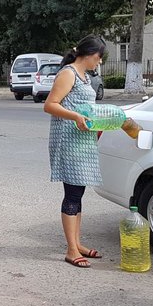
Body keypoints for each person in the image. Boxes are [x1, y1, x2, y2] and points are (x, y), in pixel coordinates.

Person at [43, 35, 106, 268]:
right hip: (69, 142)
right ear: (90, 54)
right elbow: (50, 105)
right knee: (72, 194)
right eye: (99, 57)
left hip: (83, 141)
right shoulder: (68, 73)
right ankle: (71, 250)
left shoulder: (85, 76)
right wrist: (77, 117)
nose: (99, 62)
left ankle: (77, 243)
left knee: (78, 194)